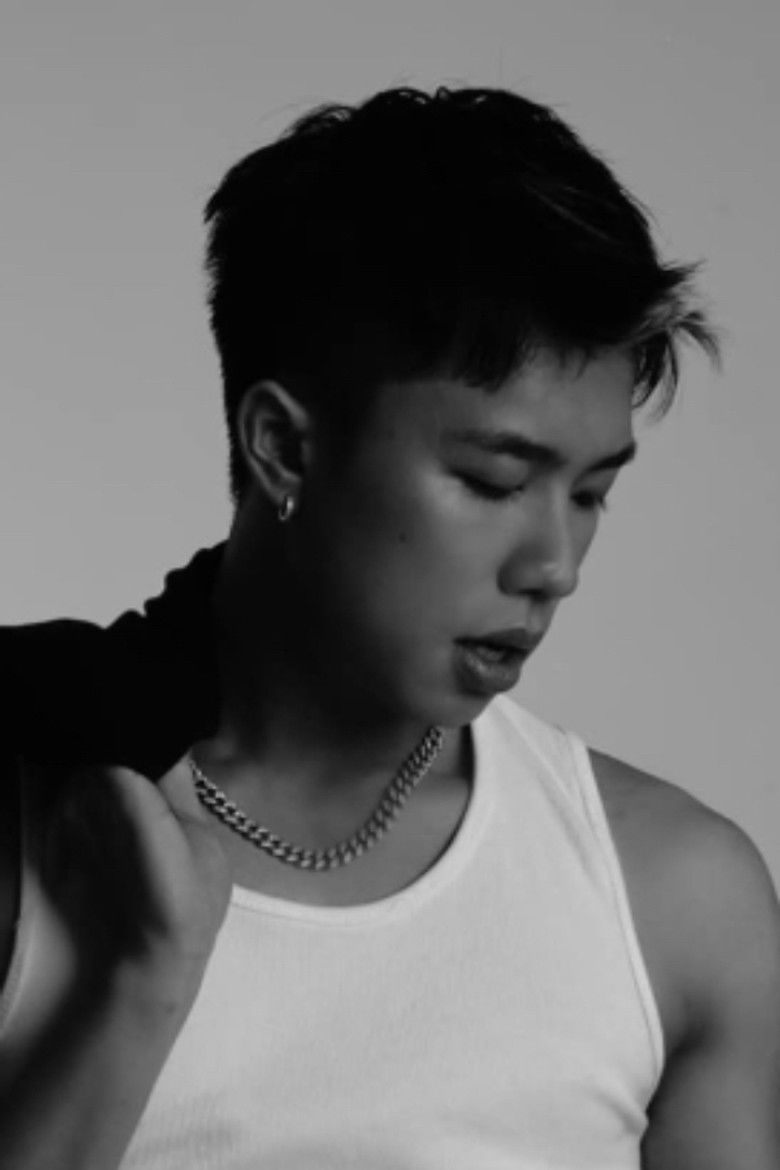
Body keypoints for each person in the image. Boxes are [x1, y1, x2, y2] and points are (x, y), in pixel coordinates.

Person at [1, 83, 778, 1169]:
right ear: (284, 447)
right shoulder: (35, 835)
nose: (554, 566)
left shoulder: (672, 898)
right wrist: (139, 985)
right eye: (493, 481)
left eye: (592, 492)